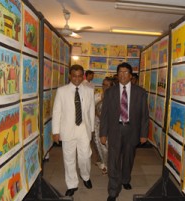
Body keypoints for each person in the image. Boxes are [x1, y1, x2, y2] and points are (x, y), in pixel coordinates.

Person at [100, 62, 149, 201]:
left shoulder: (140, 92)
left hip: (132, 130)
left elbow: (144, 115)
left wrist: (144, 134)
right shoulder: (110, 92)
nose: (123, 75)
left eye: (126, 72)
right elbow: (104, 114)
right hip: (115, 129)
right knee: (113, 160)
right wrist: (103, 133)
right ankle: (113, 190)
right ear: (117, 75)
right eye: (120, 72)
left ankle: (126, 179)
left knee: (128, 158)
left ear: (131, 75)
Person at [52, 64, 95, 197]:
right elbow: (57, 112)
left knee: (85, 156)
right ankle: (72, 184)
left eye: (79, 76)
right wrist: (55, 131)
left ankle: (85, 176)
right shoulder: (62, 91)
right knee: (69, 159)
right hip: (67, 130)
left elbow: (91, 111)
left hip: (84, 129)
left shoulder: (89, 90)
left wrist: (92, 129)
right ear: (70, 76)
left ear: (83, 76)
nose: (77, 79)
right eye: (74, 76)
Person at [94, 77, 114, 174]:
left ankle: (108, 165)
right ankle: (104, 163)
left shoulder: (114, 97)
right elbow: (91, 108)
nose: (104, 87)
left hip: (109, 125)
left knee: (108, 145)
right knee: (98, 144)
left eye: (107, 85)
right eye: (103, 84)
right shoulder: (98, 95)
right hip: (97, 124)